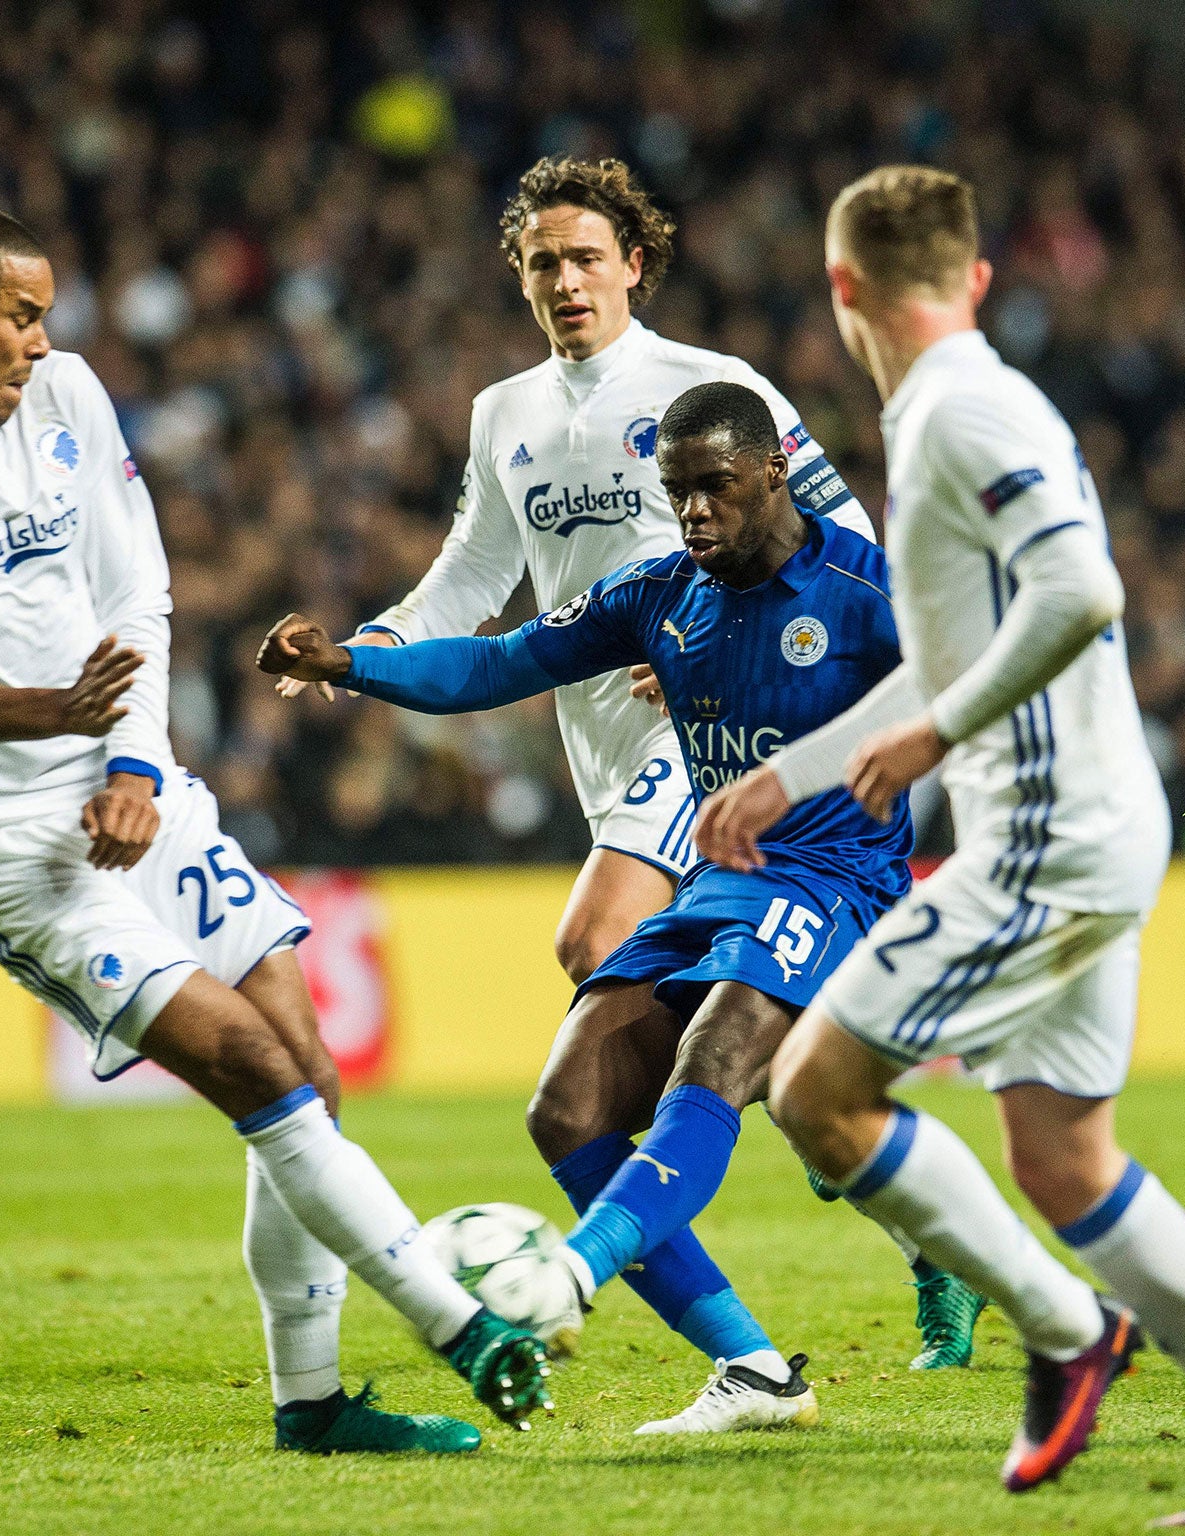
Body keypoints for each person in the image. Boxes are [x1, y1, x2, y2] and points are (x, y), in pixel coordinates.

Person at [0, 201, 554, 1458]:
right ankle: (463, 1327)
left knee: (305, 1068)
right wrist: (56, 714)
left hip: (126, 782)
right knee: (250, 1067)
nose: (43, 342)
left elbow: (134, 588)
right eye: (22, 316)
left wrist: (134, 762)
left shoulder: (71, 398)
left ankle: (310, 1408)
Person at [698, 166, 1185, 1524]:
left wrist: (939, 740)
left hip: (1045, 838)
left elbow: (1078, 591)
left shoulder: (962, 411)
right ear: (979, 277)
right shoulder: (975, 401)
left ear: (841, 289)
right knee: (1061, 1155)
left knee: (815, 1089)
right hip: (1095, 822)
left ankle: (1065, 1329)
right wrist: (792, 773)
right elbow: (955, 650)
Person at [290, 155, 986, 1373]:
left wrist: (744, 635)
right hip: (601, 735)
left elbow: (853, 545)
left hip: (716, 730)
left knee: (593, 950)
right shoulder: (504, 413)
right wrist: (368, 650)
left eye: (583, 258)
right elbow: (474, 585)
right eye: (539, 262)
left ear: (633, 265)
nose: (563, 281)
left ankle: (673, 1248)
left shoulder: (710, 390)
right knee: (729, 1046)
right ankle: (871, 1165)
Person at [258, 381, 909, 1433]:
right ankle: (752, 1371)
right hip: (718, 882)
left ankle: (572, 1273)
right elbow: (501, 662)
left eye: (715, 489)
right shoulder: (662, 594)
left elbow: (978, 688)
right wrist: (354, 665)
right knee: (564, 1110)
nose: (693, 512)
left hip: (837, 883)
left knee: (711, 1065)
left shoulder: (866, 589)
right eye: (677, 492)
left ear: (774, 476)